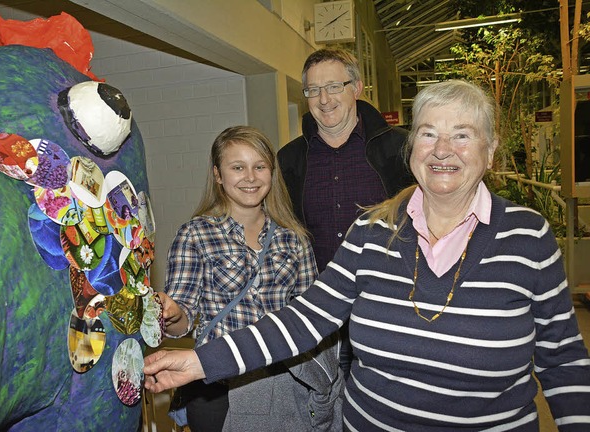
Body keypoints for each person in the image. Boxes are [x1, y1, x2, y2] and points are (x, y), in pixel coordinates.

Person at [144, 81, 590, 431]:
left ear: (490, 152)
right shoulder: (370, 232)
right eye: (429, 134)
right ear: (411, 148)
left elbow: (563, 360)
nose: (442, 150)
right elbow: (306, 318)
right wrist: (201, 361)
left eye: (462, 135)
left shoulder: (528, 236)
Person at [155, 126, 343, 432]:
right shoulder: (195, 234)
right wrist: (172, 313)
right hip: (218, 383)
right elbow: (182, 322)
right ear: (218, 175)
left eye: (259, 166)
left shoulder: (293, 239)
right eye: (237, 167)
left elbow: (308, 319)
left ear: (272, 172)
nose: (250, 177)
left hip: (282, 379)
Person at [278, 48, 414, 378]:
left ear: (357, 87)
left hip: (389, 308)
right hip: (322, 314)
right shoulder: (290, 160)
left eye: (334, 86)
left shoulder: (401, 149)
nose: (324, 99)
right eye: (313, 90)